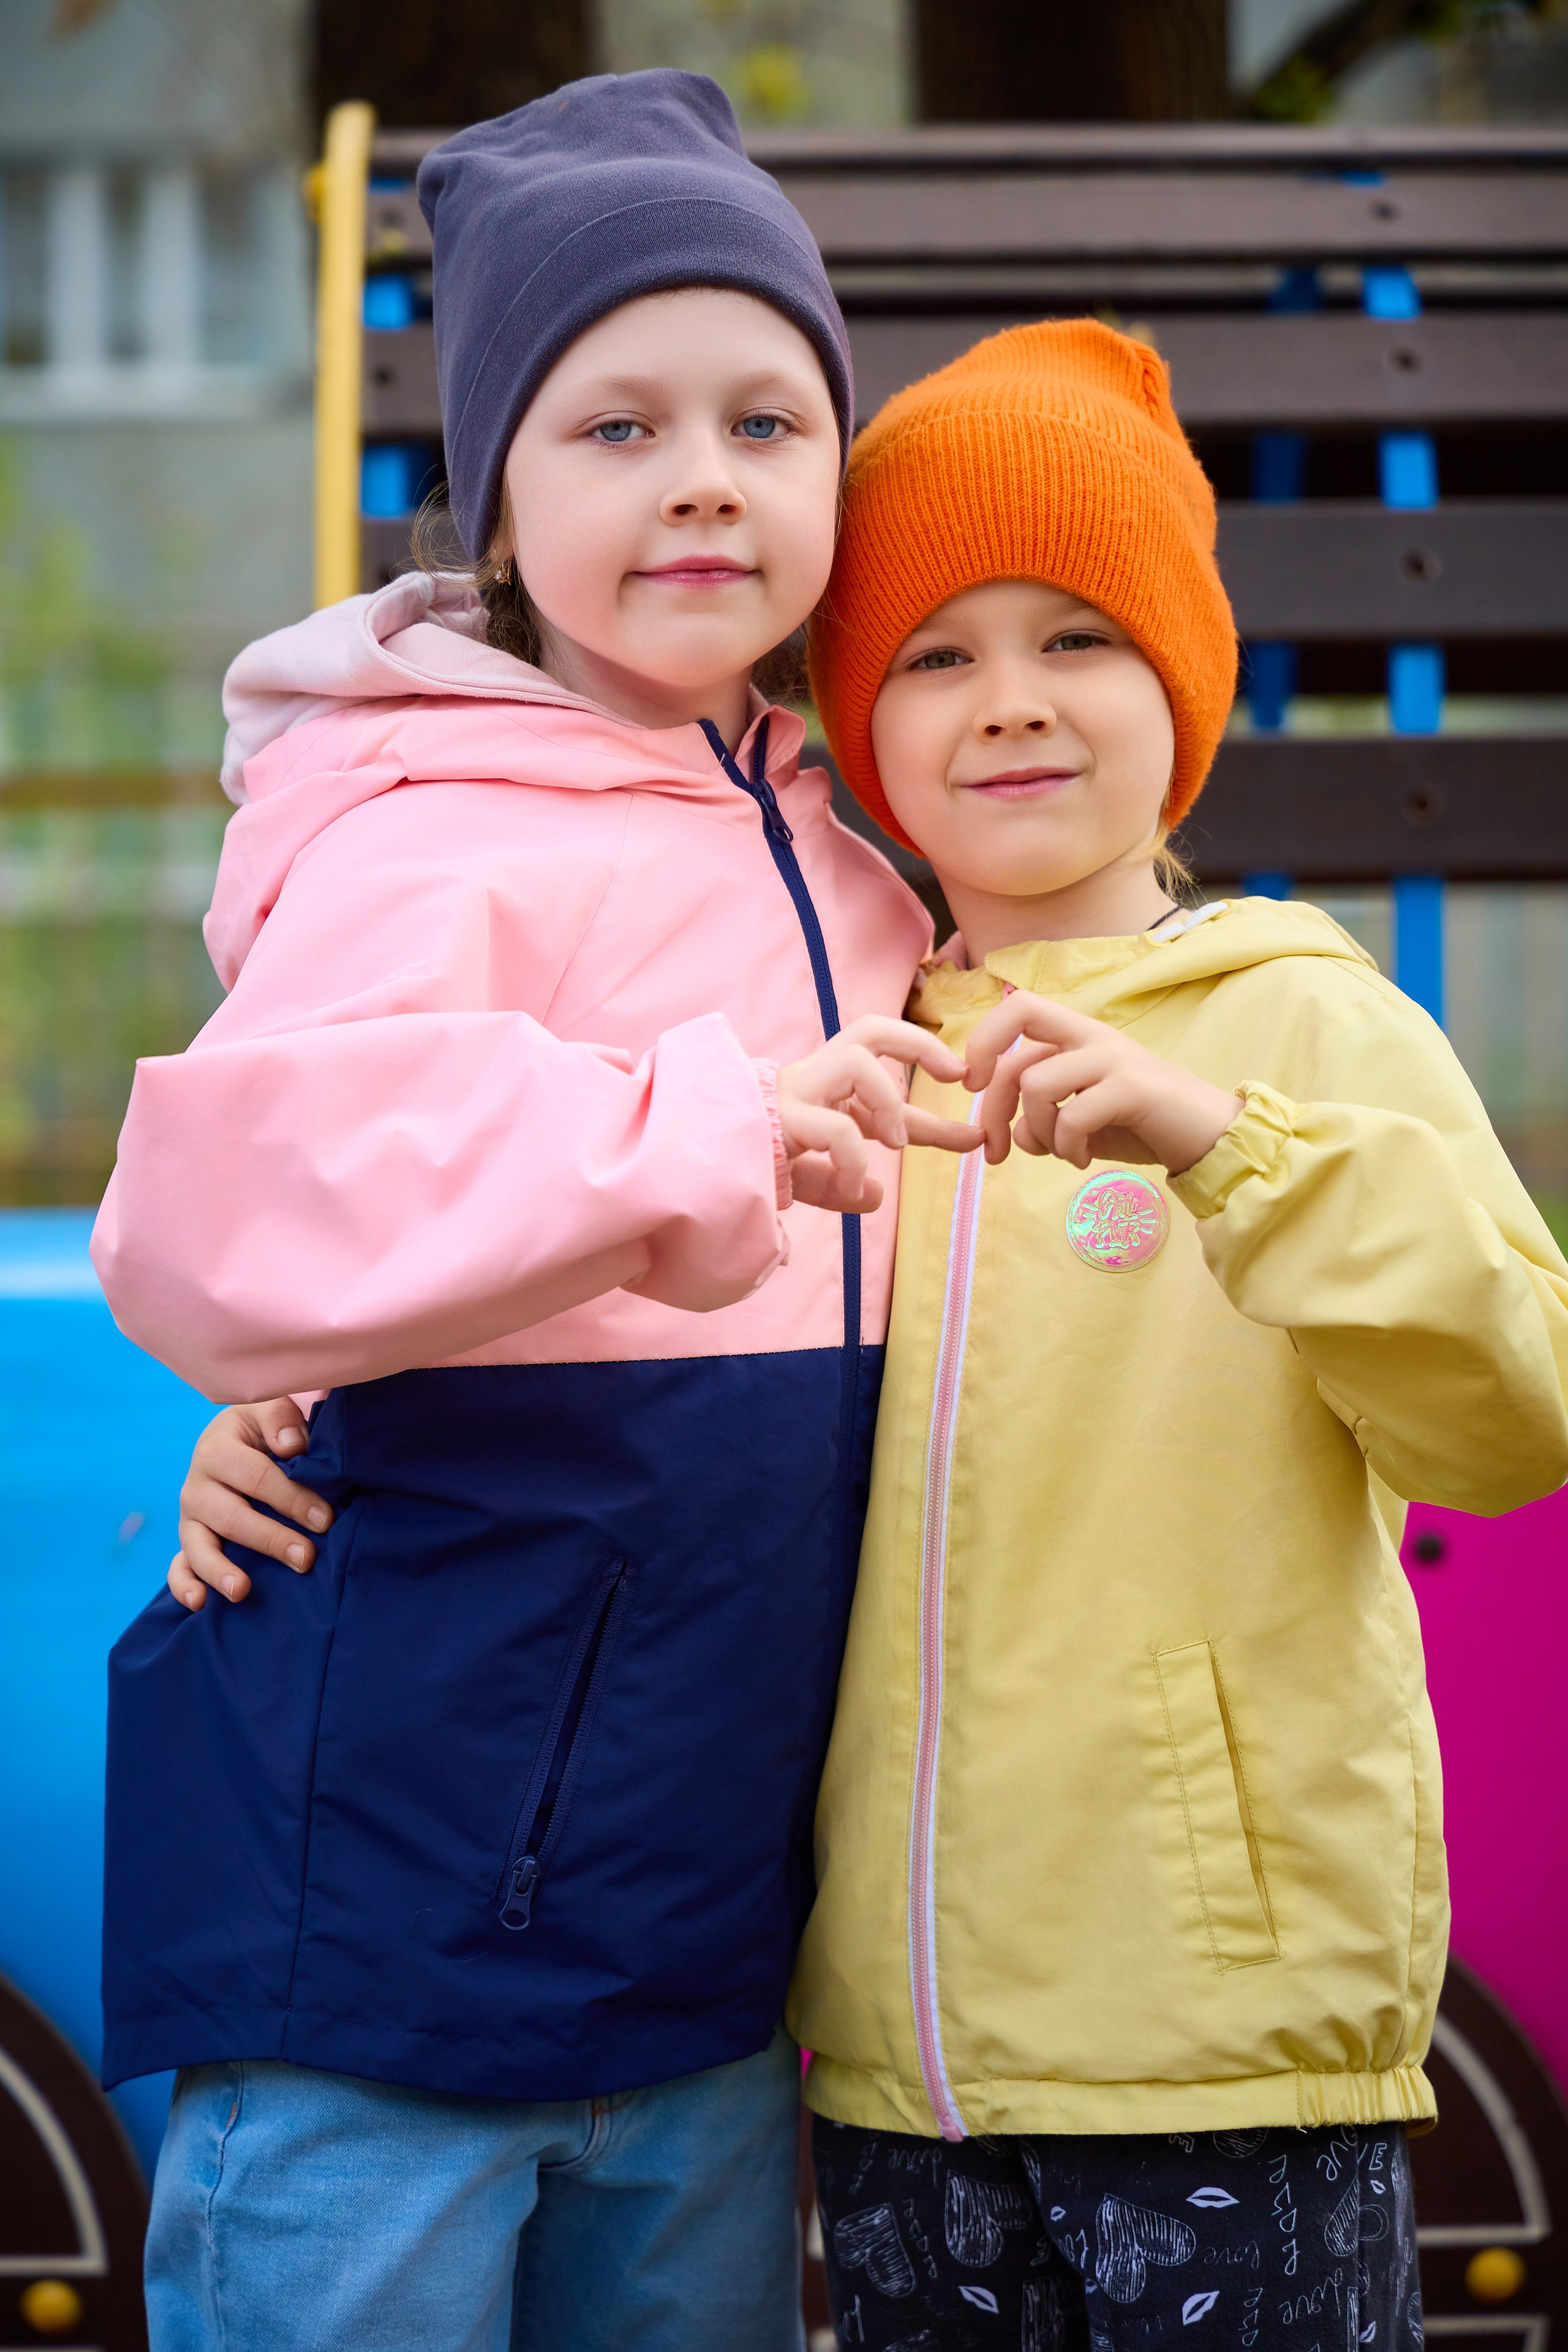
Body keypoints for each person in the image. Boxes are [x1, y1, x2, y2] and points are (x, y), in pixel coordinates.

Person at [91, 70, 977, 2352]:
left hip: (694, 1966)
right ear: (497, 495)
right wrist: (687, 1136)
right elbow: (217, 1224)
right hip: (391, 1955)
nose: (704, 474)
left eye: (768, 422)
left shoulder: (862, 863)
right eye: (616, 428)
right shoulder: (420, 826)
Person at [782, 319, 1568, 2349]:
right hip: (892, 2070)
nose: (1011, 699)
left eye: (1079, 637)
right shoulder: (840, 1051)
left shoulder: (1304, 1020)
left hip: (1223, 2051)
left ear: (1183, 685)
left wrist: (1234, 1151)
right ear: (860, 721)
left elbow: (1513, 1417)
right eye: (934, 654)